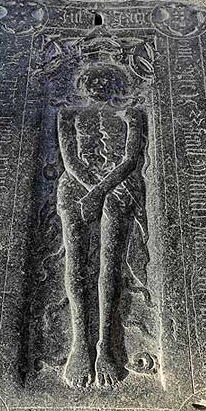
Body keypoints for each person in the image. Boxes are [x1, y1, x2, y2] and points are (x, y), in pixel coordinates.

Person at [57, 63, 147, 388]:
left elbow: (131, 158)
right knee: (77, 264)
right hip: (76, 184)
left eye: (105, 80)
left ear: (116, 84)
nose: (98, 85)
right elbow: (70, 158)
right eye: (92, 81)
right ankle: (80, 343)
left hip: (117, 184)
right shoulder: (68, 114)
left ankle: (105, 345)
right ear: (83, 85)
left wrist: (98, 192)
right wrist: (90, 189)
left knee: (109, 266)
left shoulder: (131, 115)